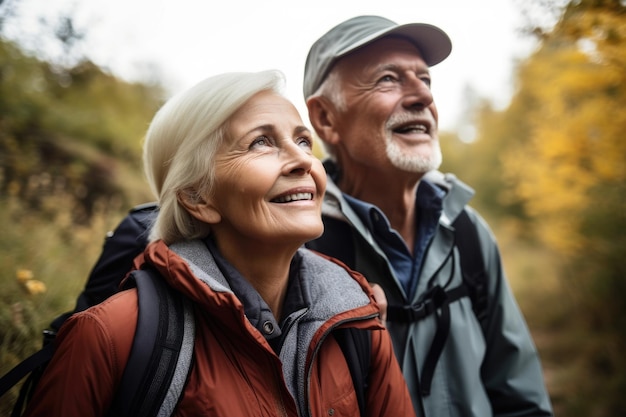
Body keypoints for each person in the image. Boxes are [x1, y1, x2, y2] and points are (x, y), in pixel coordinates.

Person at [22, 70, 414, 417]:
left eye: (303, 141)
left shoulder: (359, 326)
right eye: (261, 142)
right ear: (198, 197)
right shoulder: (107, 336)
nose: (304, 162)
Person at [302, 15, 554, 417]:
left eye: (426, 79)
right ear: (326, 119)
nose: (422, 95)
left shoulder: (468, 232)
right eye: (388, 78)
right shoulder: (299, 251)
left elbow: (520, 395)